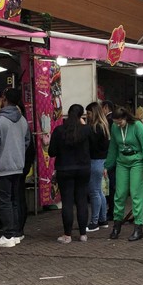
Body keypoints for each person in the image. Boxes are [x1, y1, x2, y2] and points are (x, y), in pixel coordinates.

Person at [0, 87, 32, 248]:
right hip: (18, 166)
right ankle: (16, 233)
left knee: (3, 202)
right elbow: (26, 142)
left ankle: (8, 235)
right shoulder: (23, 121)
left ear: (4, 99)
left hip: (2, 167)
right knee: (13, 200)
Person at [104, 106, 143, 241]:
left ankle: (138, 227)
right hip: (122, 162)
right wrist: (107, 165)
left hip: (137, 162)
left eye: (120, 122)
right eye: (115, 122)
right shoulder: (115, 127)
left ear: (125, 118)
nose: (117, 125)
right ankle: (116, 225)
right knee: (119, 194)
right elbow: (113, 146)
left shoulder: (137, 126)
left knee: (136, 194)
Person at [49, 103, 93, 244]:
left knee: (67, 201)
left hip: (64, 169)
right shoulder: (86, 130)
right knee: (82, 200)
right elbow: (94, 147)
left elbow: (51, 152)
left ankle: (67, 235)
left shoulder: (59, 130)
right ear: (81, 116)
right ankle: (83, 234)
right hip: (83, 169)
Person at [85, 102, 111, 232]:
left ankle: (94, 222)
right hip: (102, 161)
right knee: (99, 191)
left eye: (89, 113)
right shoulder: (104, 127)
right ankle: (103, 219)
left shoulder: (93, 129)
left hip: (94, 161)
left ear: (93, 113)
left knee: (94, 191)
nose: (87, 116)